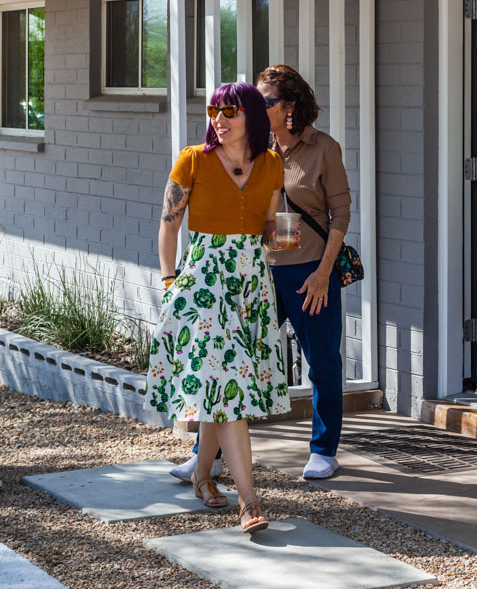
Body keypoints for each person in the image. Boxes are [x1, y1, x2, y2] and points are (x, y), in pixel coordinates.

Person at [148, 81, 290, 533]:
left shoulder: (271, 164)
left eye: (229, 111)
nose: (218, 119)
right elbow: (168, 226)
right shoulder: (193, 160)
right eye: (213, 111)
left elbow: (270, 226)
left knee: (218, 387)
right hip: (204, 286)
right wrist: (170, 279)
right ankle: (249, 502)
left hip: (250, 285)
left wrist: (280, 238)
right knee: (230, 388)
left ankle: (203, 476)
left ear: (250, 115)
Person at [258, 64, 351, 480]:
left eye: (267, 101)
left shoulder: (323, 148)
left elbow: (341, 215)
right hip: (265, 271)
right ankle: (211, 451)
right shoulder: (257, 148)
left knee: (323, 365)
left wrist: (322, 273)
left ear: (289, 106)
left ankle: (324, 449)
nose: (258, 108)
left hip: (311, 272)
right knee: (235, 354)